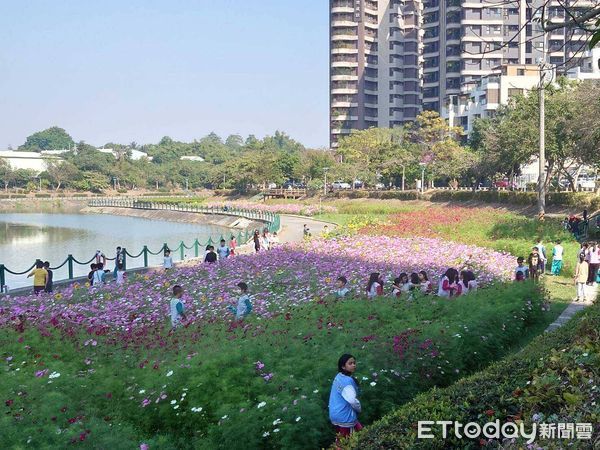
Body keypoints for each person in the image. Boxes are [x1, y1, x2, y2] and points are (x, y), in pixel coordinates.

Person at [328, 354, 362, 441]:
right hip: (345, 417)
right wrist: (359, 409)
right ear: (343, 366)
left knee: (357, 432)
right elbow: (352, 400)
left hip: (335, 414)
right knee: (349, 442)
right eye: (350, 363)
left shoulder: (339, 376)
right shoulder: (347, 381)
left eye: (354, 363)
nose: (354, 365)